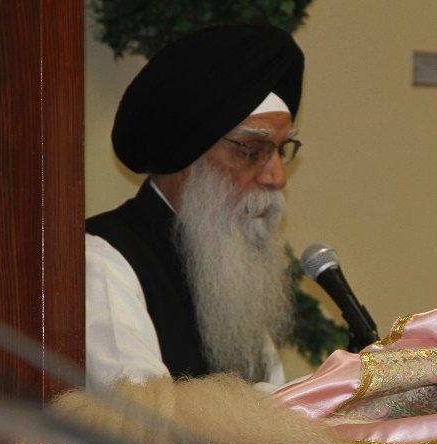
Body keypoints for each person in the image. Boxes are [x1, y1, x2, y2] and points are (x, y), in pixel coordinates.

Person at [85, 24, 304, 390]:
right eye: (252, 150)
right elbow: (140, 421)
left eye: (281, 150)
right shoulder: (104, 261)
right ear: (188, 152)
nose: (277, 177)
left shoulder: (232, 272)